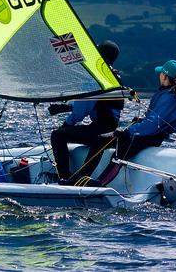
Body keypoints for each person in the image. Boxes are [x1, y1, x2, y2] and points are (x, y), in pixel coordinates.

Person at [70, 59, 176, 187]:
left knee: (120, 152)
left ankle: (99, 185)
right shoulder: (168, 93)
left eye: (161, 73)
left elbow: (153, 125)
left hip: (150, 137)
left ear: (165, 76)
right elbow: (156, 120)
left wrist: (128, 131)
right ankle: (81, 177)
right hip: (147, 134)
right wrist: (140, 122)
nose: (159, 75)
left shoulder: (169, 97)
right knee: (100, 141)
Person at [49, 40, 124, 181]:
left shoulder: (95, 78)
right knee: (67, 132)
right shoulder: (112, 76)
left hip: (99, 131)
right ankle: (69, 176)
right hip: (109, 128)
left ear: (102, 56)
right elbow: (91, 104)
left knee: (58, 135)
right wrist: (67, 107)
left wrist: (66, 124)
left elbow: (80, 112)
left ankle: (64, 176)